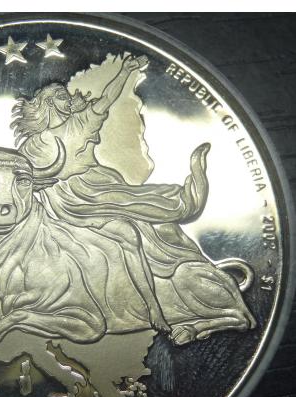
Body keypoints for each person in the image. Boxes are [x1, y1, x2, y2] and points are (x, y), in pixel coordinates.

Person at [11, 55, 210, 335]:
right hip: (64, 199)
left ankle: (153, 307)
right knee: (129, 231)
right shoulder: (32, 146)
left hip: (96, 188)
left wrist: (125, 72)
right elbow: (19, 180)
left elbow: (107, 98)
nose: (68, 99)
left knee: (139, 222)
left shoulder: (82, 122)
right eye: (61, 96)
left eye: (66, 95)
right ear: (47, 103)